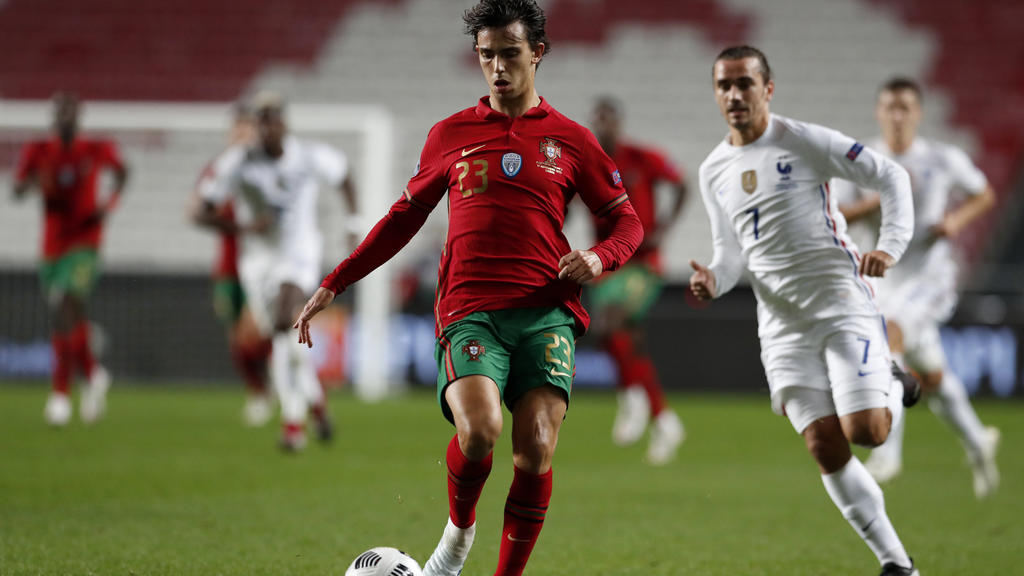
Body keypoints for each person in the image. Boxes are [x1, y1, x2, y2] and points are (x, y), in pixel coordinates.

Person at [294, 2, 642, 574]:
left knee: (535, 449)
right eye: (487, 56)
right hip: (471, 311)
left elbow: (627, 221)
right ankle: (454, 544)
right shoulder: (450, 134)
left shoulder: (572, 140)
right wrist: (337, 279)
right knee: (480, 430)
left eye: (510, 53)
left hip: (547, 312)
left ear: (538, 53)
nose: (499, 67)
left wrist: (600, 258)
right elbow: (402, 218)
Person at [690, 46, 921, 576]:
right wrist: (713, 281)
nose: (734, 95)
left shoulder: (805, 142)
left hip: (840, 302)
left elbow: (891, 176)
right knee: (824, 443)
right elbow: (730, 253)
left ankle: (888, 377)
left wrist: (890, 246)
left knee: (868, 431)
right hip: (780, 326)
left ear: (767, 89)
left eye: (745, 84)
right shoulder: (713, 170)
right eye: (724, 85)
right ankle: (896, 563)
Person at [835, 78, 1000, 498]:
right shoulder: (863, 159)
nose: (897, 115)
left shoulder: (942, 158)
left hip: (931, 277)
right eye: (889, 107)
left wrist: (954, 223)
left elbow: (984, 195)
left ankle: (887, 454)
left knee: (886, 341)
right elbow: (837, 216)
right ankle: (979, 442)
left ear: (918, 113)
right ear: (878, 112)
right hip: (885, 278)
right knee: (932, 374)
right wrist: (872, 204)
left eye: (905, 107)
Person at [195, 93, 357, 451]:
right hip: (257, 264)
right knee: (286, 342)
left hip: (299, 256)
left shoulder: (308, 155)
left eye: (274, 119)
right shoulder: (237, 162)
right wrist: (243, 230)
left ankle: (292, 425)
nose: (268, 127)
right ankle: (316, 405)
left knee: (287, 324)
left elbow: (344, 175)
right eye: (262, 120)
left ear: (284, 123)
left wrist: (353, 223)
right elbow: (199, 211)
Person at [13, 92, 128, 426]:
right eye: (60, 112)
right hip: (51, 246)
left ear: (79, 118)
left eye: (70, 112)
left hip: (84, 243)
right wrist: (32, 185)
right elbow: (17, 187)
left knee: (64, 306)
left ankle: (60, 395)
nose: (65, 118)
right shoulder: (38, 151)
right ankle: (93, 375)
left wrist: (110, 204)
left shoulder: (95, 149)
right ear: (53, 117)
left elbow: (123, 172)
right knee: (69, 317)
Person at [588, 96, 687, 464]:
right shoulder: (588, 162)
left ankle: (633, 400)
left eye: (608, 120)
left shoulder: (641, 157)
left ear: (618, 122)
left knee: (613, 320)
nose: (603, 126)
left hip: (643, 262)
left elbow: (682, 183)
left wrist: (664, 227)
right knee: (618, 338)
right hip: (608, 261)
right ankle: (663, 418)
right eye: (598, 120)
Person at [189, 102, 273, 427]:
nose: (242, 135)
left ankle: (273, 386)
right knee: (235, 337)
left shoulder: (269, 169)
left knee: (255, 330)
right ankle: (258, 391)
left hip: (263, 263)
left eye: (248, 129)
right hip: (227, 265)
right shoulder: (216, 170)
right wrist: (230, 222)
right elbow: (199, 210)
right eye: (237, 129)